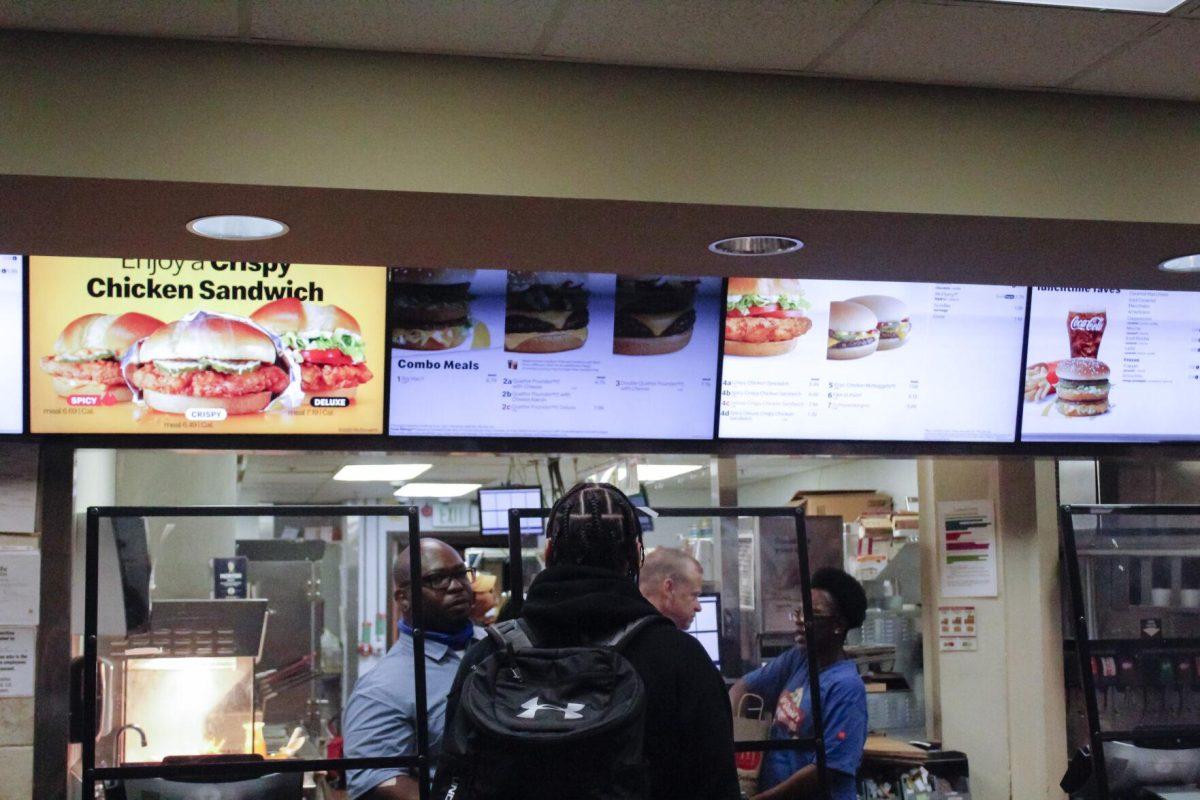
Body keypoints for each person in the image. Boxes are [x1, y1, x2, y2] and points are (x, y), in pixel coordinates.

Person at [439, 482, 741, 800]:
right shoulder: (682, 660)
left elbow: (452, 777)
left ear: (549, 553)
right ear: (636, 555)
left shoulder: (488, 656)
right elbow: (716, 786)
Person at [343, 539, 483, 800]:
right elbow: (375, 779)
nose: (456, 586)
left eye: (460, 573)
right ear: (403, 598)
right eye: (437, 579)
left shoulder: (503, 647)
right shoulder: (382, 687)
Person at [728, 568, 869, 800]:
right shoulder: (799, 658)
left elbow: (826, 770)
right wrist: (731, 731)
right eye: (800, 611)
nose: (801, 620)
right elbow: (744, 686)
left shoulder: (846, 688)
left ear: (838, 625)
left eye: (812, 614)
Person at [639, 546, 704, 630]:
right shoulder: (675, 642)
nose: (698, 607)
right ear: (669, 588)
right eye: (693, 596)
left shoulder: (622, 628)